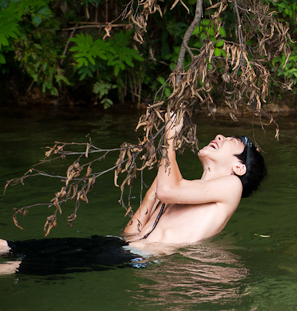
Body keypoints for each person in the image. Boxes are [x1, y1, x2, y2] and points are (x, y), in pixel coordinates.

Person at [0, 113, 267, 274]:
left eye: (230, 141)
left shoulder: (232, 186)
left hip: (137, 256)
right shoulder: (184, 188)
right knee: (15, 247)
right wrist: (155, 191)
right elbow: (131, 231)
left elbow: (167, 190)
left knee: (22, 266)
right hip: (120, 245)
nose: (219, 136)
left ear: (239, 167)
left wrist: (169, 140)